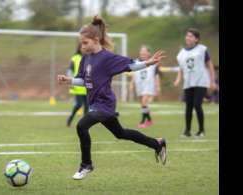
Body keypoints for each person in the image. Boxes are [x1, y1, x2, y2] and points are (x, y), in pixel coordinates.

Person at [57, 15, 167, 180]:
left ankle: (86, 165)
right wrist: (69, 80)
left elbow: (130, 65)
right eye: (81, 43)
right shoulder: (85, 58)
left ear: (95, 40)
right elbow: (83, 80)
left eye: (85, 42)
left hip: (105, 103)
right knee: (120, 133)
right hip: (95, 103)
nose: (82, 46)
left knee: (81, 126)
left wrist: (148, 63)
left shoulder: (107, 58)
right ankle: (157, 144)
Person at [174, 28, 217, 138]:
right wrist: (178, 79)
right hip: (188, 83)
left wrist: (212, 81)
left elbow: (210, 65)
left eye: (191, 36)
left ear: (196, 39)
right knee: (188, 106)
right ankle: (187, 131)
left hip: (201, 81)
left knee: (197, 105)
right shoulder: (181, 53)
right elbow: (181, 69)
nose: (188, 38)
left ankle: (201, 130)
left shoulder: (202, 50)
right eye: (187, 35)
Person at [130, 45, 161, 128]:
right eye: (141, 51)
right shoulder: (136, 62)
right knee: (142, 104)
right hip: (139, 86)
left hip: (148, 86)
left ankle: (143, 121)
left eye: (145, 51)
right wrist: (132, 84)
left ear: (149, 53)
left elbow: (156, 76)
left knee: (144, 102)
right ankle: (149, 120)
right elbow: (134, 75)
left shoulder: (153, 63)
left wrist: (158, 86)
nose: (142, 52)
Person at [66, 43, 88, 127]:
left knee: (87, 106)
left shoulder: (90, 57)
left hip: (87, 86)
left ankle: (85, 124)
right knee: (79, 104)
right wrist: (70, 81)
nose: (84, 48)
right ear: (79, 48)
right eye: (82, 47)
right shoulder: (75, 58)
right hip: (77, 86)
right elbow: (70, 71)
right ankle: (70, 119)